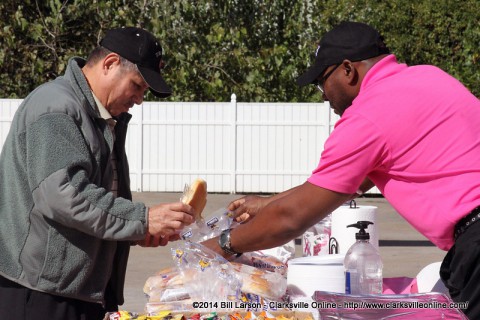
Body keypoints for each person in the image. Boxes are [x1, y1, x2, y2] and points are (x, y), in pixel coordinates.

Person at [202, 21, 480, 318]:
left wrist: (221, 245)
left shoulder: (367, 116)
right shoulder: (430, 77)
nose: (323, 95)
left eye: (322, 82)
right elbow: (346, 184)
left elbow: (291, 219)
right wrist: (266, 203)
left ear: (348, 70)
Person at [0, 27, 195, 319]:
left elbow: (99, 200)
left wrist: (134, 232)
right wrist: (142, 220)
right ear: (110, 64)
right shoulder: (57, 106)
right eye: (137, 85)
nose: (140, 99)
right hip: (40, 293)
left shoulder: (101, 116)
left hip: (75, 291)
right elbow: (63, 195)